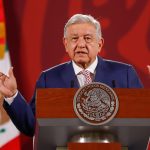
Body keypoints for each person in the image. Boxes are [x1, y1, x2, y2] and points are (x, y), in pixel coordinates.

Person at [0, 14, 143, 137]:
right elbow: (31, 127)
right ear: (65, 44)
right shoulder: (49, 79)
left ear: (99, 44)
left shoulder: (124, 73)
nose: (81, 44)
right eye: (74, 38)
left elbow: (142, 119)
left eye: (87, 38)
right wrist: (12, 95)